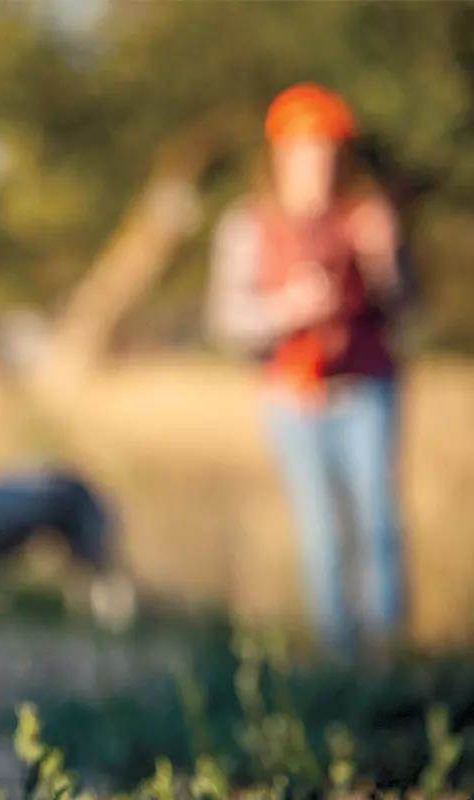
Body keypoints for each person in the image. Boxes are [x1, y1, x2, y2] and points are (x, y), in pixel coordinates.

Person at [207, 83, 408, 651]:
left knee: (378, 526)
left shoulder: (367, 216)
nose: (317, 160)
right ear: (281, 154)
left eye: (327, 148)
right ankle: (338, 660)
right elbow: (226, 320)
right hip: (291, 400)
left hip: (366, 390)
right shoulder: (247, 224)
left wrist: (385, 261)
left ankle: (391, 657)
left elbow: (403, 309)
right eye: (305, 148)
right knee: (321, 535)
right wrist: (285, 309)